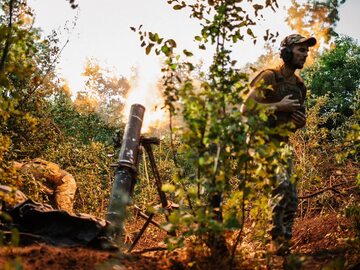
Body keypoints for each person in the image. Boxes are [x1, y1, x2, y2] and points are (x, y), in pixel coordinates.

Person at [241, 34, 317, 255]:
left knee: (292, 194)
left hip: (281, 142)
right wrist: (278, 106)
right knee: (282, 185)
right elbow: (246, 109)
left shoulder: (299, 86)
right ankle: (275, 240)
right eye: (300, 50)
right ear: (286, 52)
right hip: (259, 141)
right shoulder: (269, 77)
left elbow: (292, 123)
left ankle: (284, 244)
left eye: (306, 51)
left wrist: (298, 123)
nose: (305, 54)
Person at [12, 158, 77, 213]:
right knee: (54, 211)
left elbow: (37, 187)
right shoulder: (29, 164)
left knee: (63, 212)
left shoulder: (25, 170)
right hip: (61, 182)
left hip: (65, 183)